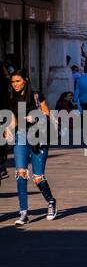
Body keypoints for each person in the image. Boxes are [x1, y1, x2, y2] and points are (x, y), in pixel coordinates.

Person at [4, 70, 57, 226]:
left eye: (18, 81)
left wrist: (36, 116)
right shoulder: (11, 98)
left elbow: (48, 115)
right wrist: (8, 129)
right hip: (21, 136)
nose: (15, 85)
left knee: (38, 177)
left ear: (25, 80)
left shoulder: (36, 96)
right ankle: (23, 212)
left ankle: (51, 201)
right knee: (20, 174)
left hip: (38, 138)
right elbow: (13, 120)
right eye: (13, 82)